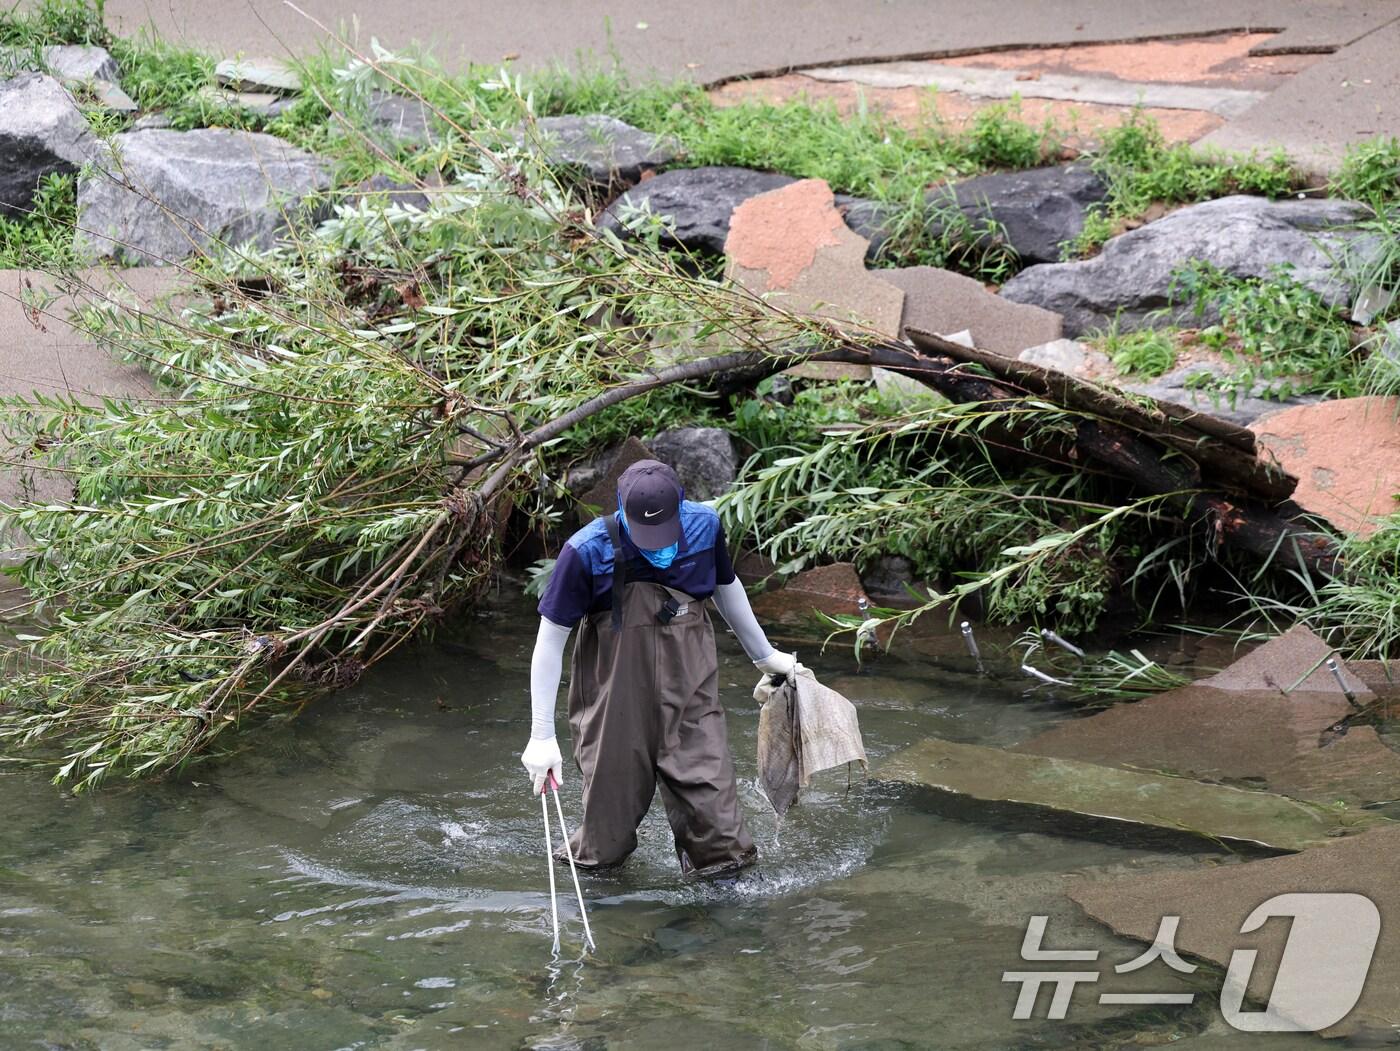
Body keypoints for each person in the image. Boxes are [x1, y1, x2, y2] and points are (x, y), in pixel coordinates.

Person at [520, 459, 796, 877]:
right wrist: (541, 736)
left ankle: (721, 929)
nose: (656, 545)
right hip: (614, 707)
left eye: (664, 534)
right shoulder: (585, 551)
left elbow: (726, 586)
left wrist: (764, 655)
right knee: (602, 848)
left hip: (691, 698)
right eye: (646, 536)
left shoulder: (705, 528)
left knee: (722, 845)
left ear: (681, 508)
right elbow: (550, 638)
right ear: (620, 510)